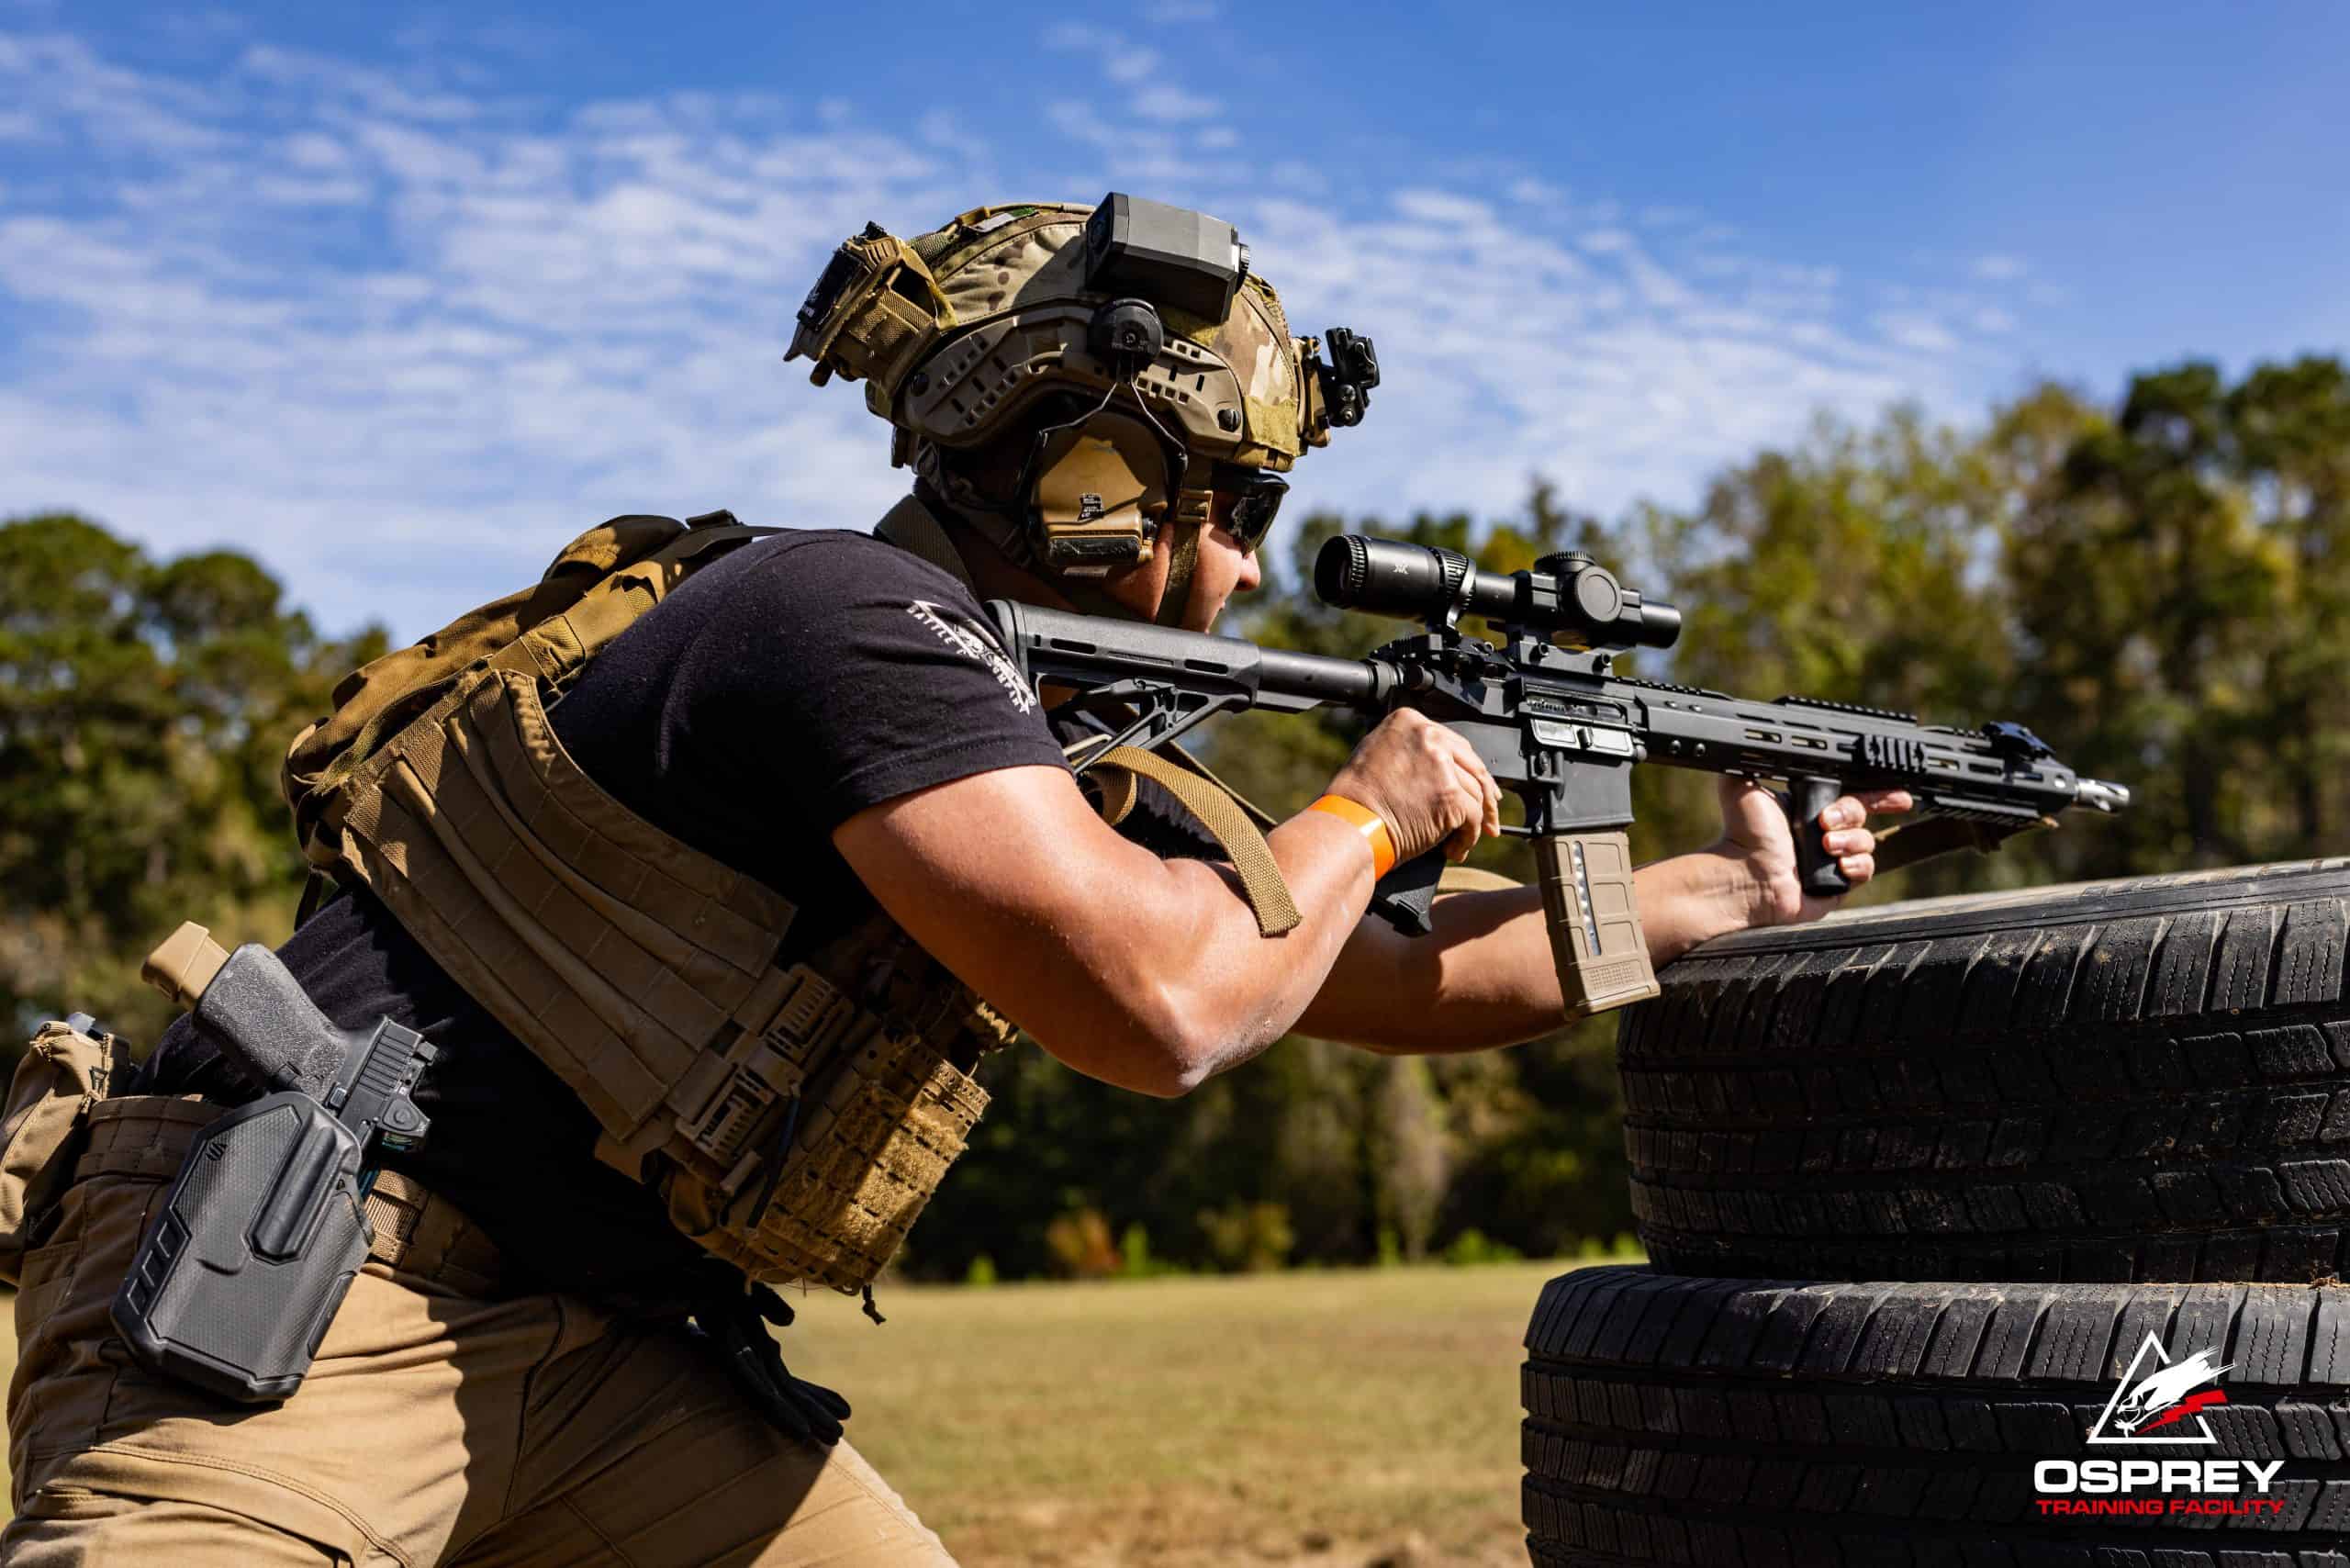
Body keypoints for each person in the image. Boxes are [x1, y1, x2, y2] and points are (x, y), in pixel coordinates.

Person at [0, 196, 1908, 1566]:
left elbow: (1378, 973)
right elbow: (1168, 1004)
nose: (1239, 570)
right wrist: (1379, 801)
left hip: (598, 1353)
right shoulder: (848, 614)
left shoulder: (1038, 745)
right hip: (307, 1293)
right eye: (1221, 508)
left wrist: (1729, 887)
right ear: (1086, 478)